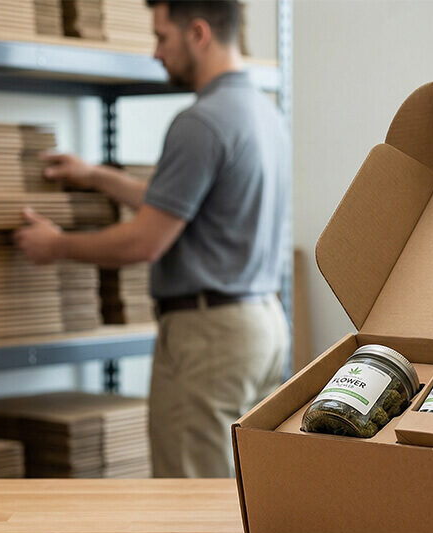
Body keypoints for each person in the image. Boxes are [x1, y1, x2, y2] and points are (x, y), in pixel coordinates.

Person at [15, 0, 291, 478]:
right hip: (262, 324)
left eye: (162, 37)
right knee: (250, 489)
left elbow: (145, 241)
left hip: (209, 338)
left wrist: (57, 246)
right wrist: (97, 176)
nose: (156, 53)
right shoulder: (264, 113)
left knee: (191, 494)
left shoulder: (200, 121)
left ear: (198, 33)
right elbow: (178, 205)